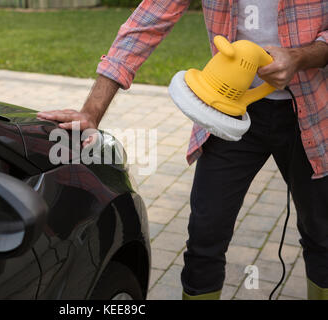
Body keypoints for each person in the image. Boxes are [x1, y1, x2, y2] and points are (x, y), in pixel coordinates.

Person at [37, 0, 328, 300]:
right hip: (224, 113)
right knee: (205, 238)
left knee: (322, 235)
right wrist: (92, 111)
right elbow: (148, 20)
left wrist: (301, 57)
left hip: (312, 114)